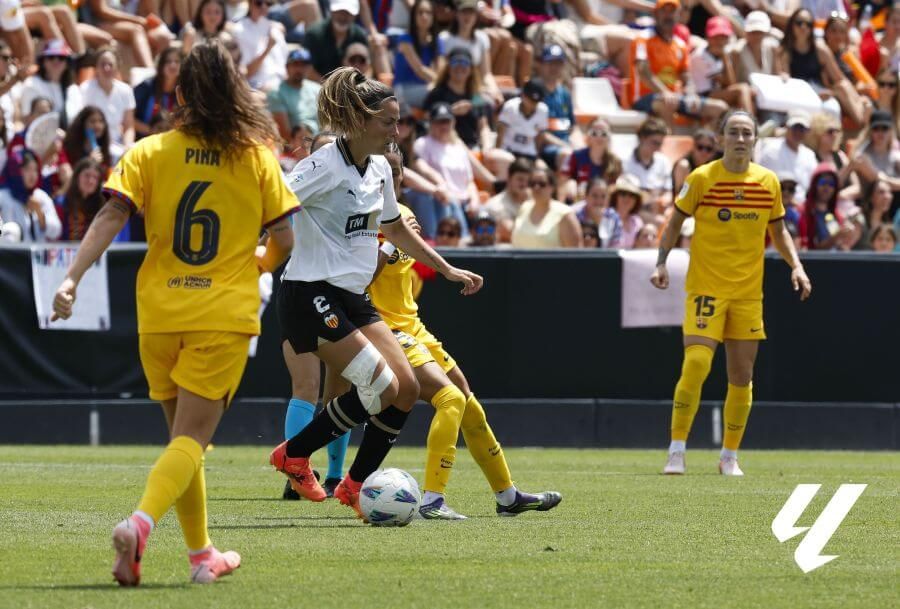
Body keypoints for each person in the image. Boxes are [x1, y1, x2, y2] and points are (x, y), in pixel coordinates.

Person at [50, 41, 299, 586]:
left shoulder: (149, 151)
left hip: (159, 316)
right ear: (235, 91)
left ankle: (200, 556)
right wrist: (261, 261)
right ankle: (140, 524)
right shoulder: (256, 156)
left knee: (183, 443)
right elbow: (285, 236)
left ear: (179, 92)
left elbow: (111, 214)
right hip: (221, 314)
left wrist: (72, 277)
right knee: (192, 441)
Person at [268, 67, 483, 520]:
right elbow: (273, 201)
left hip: (352, 297)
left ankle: (354, 484)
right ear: (361, 121)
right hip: (310, 292)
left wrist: (444, 268)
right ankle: (294, 454)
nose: (396, 130)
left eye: (398, 121)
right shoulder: (323, 165)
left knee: (404, 390)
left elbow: (394, 227)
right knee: (381, 385)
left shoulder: (381, 167)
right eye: (389, 121)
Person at [365, 150, 561, 518]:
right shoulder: (363, 220)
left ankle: (507, 495)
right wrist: (390, 245)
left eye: (393, 172)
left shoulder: (403, 215)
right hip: (384, 329)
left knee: (469, 403)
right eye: (379, 172)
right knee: (450, 400)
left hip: (413, 327)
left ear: (402, 178)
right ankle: (432, 500)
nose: (386, 179)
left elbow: (417, 263)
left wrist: (450, 270)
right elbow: (361, 280)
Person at [651, 110, 812, 477]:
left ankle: (729, 455)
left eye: (747, 133)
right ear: (722, 138)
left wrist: (797, 266)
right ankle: (676, 449)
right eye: (734, 132)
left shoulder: (767, 182)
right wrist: (661, 262)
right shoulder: (702, 178)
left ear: (755, 140)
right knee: (696, 364)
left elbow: (779, 230)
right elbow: (675, 220)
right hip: (706, 287)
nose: (740, 139)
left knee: (741, 375)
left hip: (746, 293)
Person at [511, 166, 582, 248]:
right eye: (532, 183)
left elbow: (574, 255)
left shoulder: (564, 214)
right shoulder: (524, 207)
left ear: (552, 187)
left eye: (542, 184)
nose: (536, 187)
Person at [0, 147, 60, 241]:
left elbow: (56, 231)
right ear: (15, 170)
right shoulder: (3, 197)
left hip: (37, 255)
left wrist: (40, 213)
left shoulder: (41, 196)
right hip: (10, 254)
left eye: (35, 170)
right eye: (27, 169)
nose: (32, 175)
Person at [268, 47, 321, 139]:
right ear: (287, 67)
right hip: (295, 147)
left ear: (310, 68)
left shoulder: (317, 89)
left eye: (304, 65)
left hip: (320, 143)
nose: (299, 69)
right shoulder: (276, 93)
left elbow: (328, 124)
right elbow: (285, 134)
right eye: (295, 64)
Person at [133, 47, 181, 140]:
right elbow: (129, 118)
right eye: (168, 61)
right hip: (143, 139)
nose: (173, 65)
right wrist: (151, 131)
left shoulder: (183, 91)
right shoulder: (146, 87)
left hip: (171, 140)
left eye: (177, 61)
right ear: (161, 65)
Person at [54, 157, 104, 241]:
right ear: (77, 177)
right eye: (87, 175)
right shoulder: (61, 203)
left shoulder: (102, 206)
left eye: (95, 177)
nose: (90, 181)